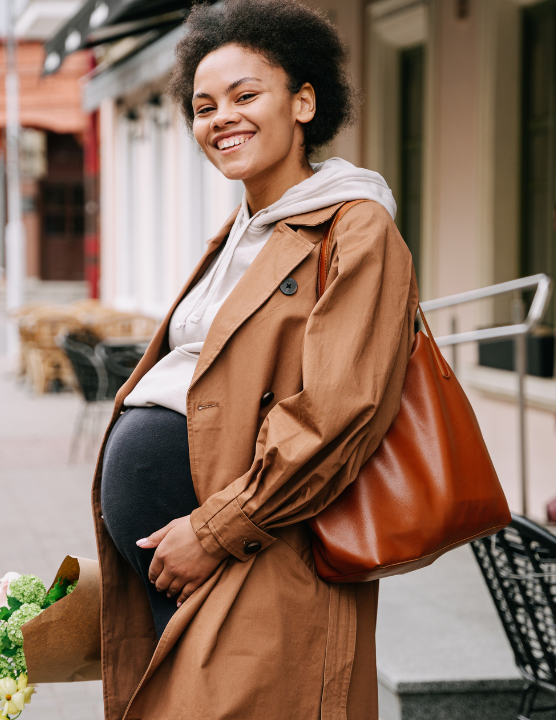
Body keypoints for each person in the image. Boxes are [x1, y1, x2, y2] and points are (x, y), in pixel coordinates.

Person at [93, 0, 417, 716]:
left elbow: (342, 409)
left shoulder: (355, 226)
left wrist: (214, 530)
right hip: (188, 551)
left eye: (246, 96)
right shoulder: (243, 232)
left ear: (304, 101)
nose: (221, 118)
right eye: (204, 106)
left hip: (257, 545)